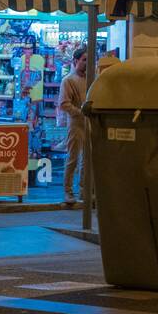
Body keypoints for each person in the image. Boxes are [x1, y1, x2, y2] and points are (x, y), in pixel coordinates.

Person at [59, 47, 89, 206]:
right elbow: (64, 104)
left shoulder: (92, 79)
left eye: (89, 60)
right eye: (84, 59)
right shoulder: (68, 80)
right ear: (75, 61)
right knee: (73, 158)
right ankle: (68, 191)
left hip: (89, 124)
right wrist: (80, 112)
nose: (87, 63)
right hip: (76, 124)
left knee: (87, 160)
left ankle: (84, 191)